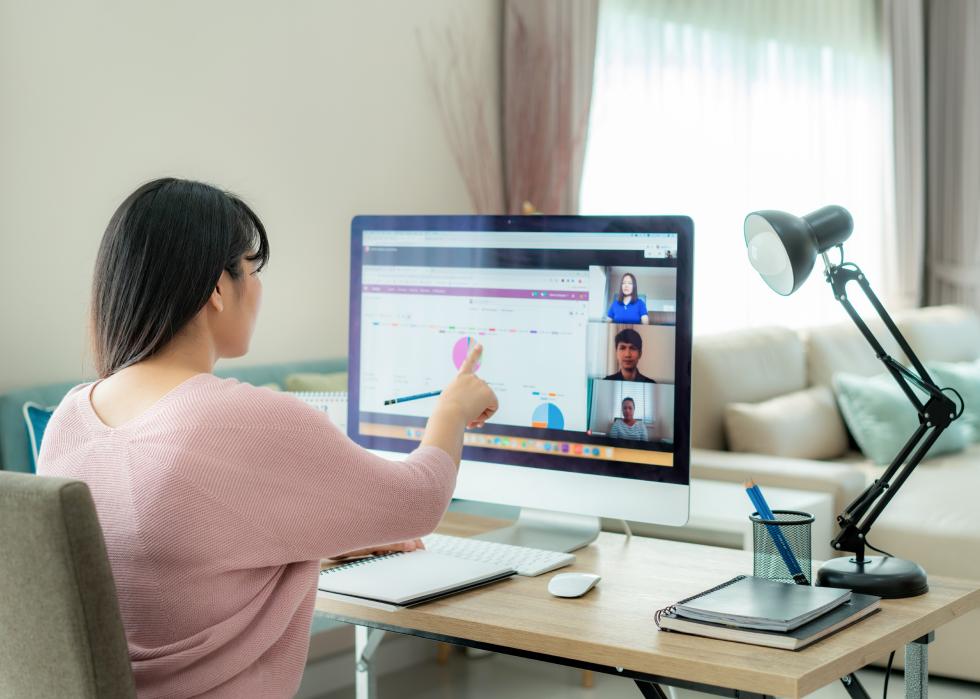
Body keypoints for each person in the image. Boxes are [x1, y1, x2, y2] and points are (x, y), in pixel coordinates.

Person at [36, 178, 498, 699]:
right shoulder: (248, 418)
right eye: (252, 271)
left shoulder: (68, 419)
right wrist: (453, 407)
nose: (257, 288)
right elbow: (419, 501)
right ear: (216, 287)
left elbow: (155, 569)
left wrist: (319, 544)